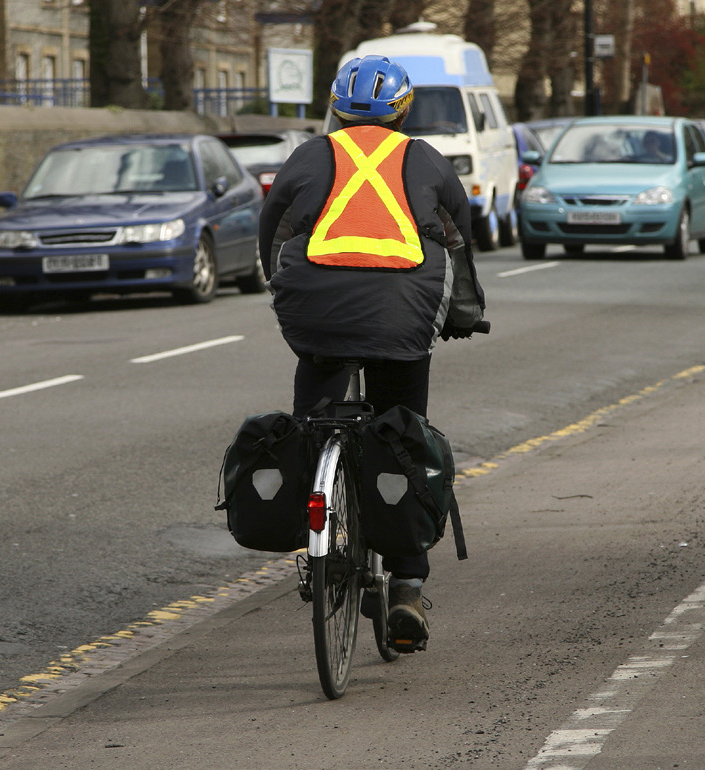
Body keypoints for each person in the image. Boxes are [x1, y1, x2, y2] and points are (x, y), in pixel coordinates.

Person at [258, 54, 486, 653]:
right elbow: (458, 247)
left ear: (335, 108)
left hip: (315, 312)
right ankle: (407, 584)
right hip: (402, 315)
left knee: (314, 415)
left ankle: (323, 527)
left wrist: (282, 295)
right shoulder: (427, 160)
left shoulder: (308, 157)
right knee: (401, 432)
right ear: (403, 112)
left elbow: (272, 233)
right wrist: (463, 316)